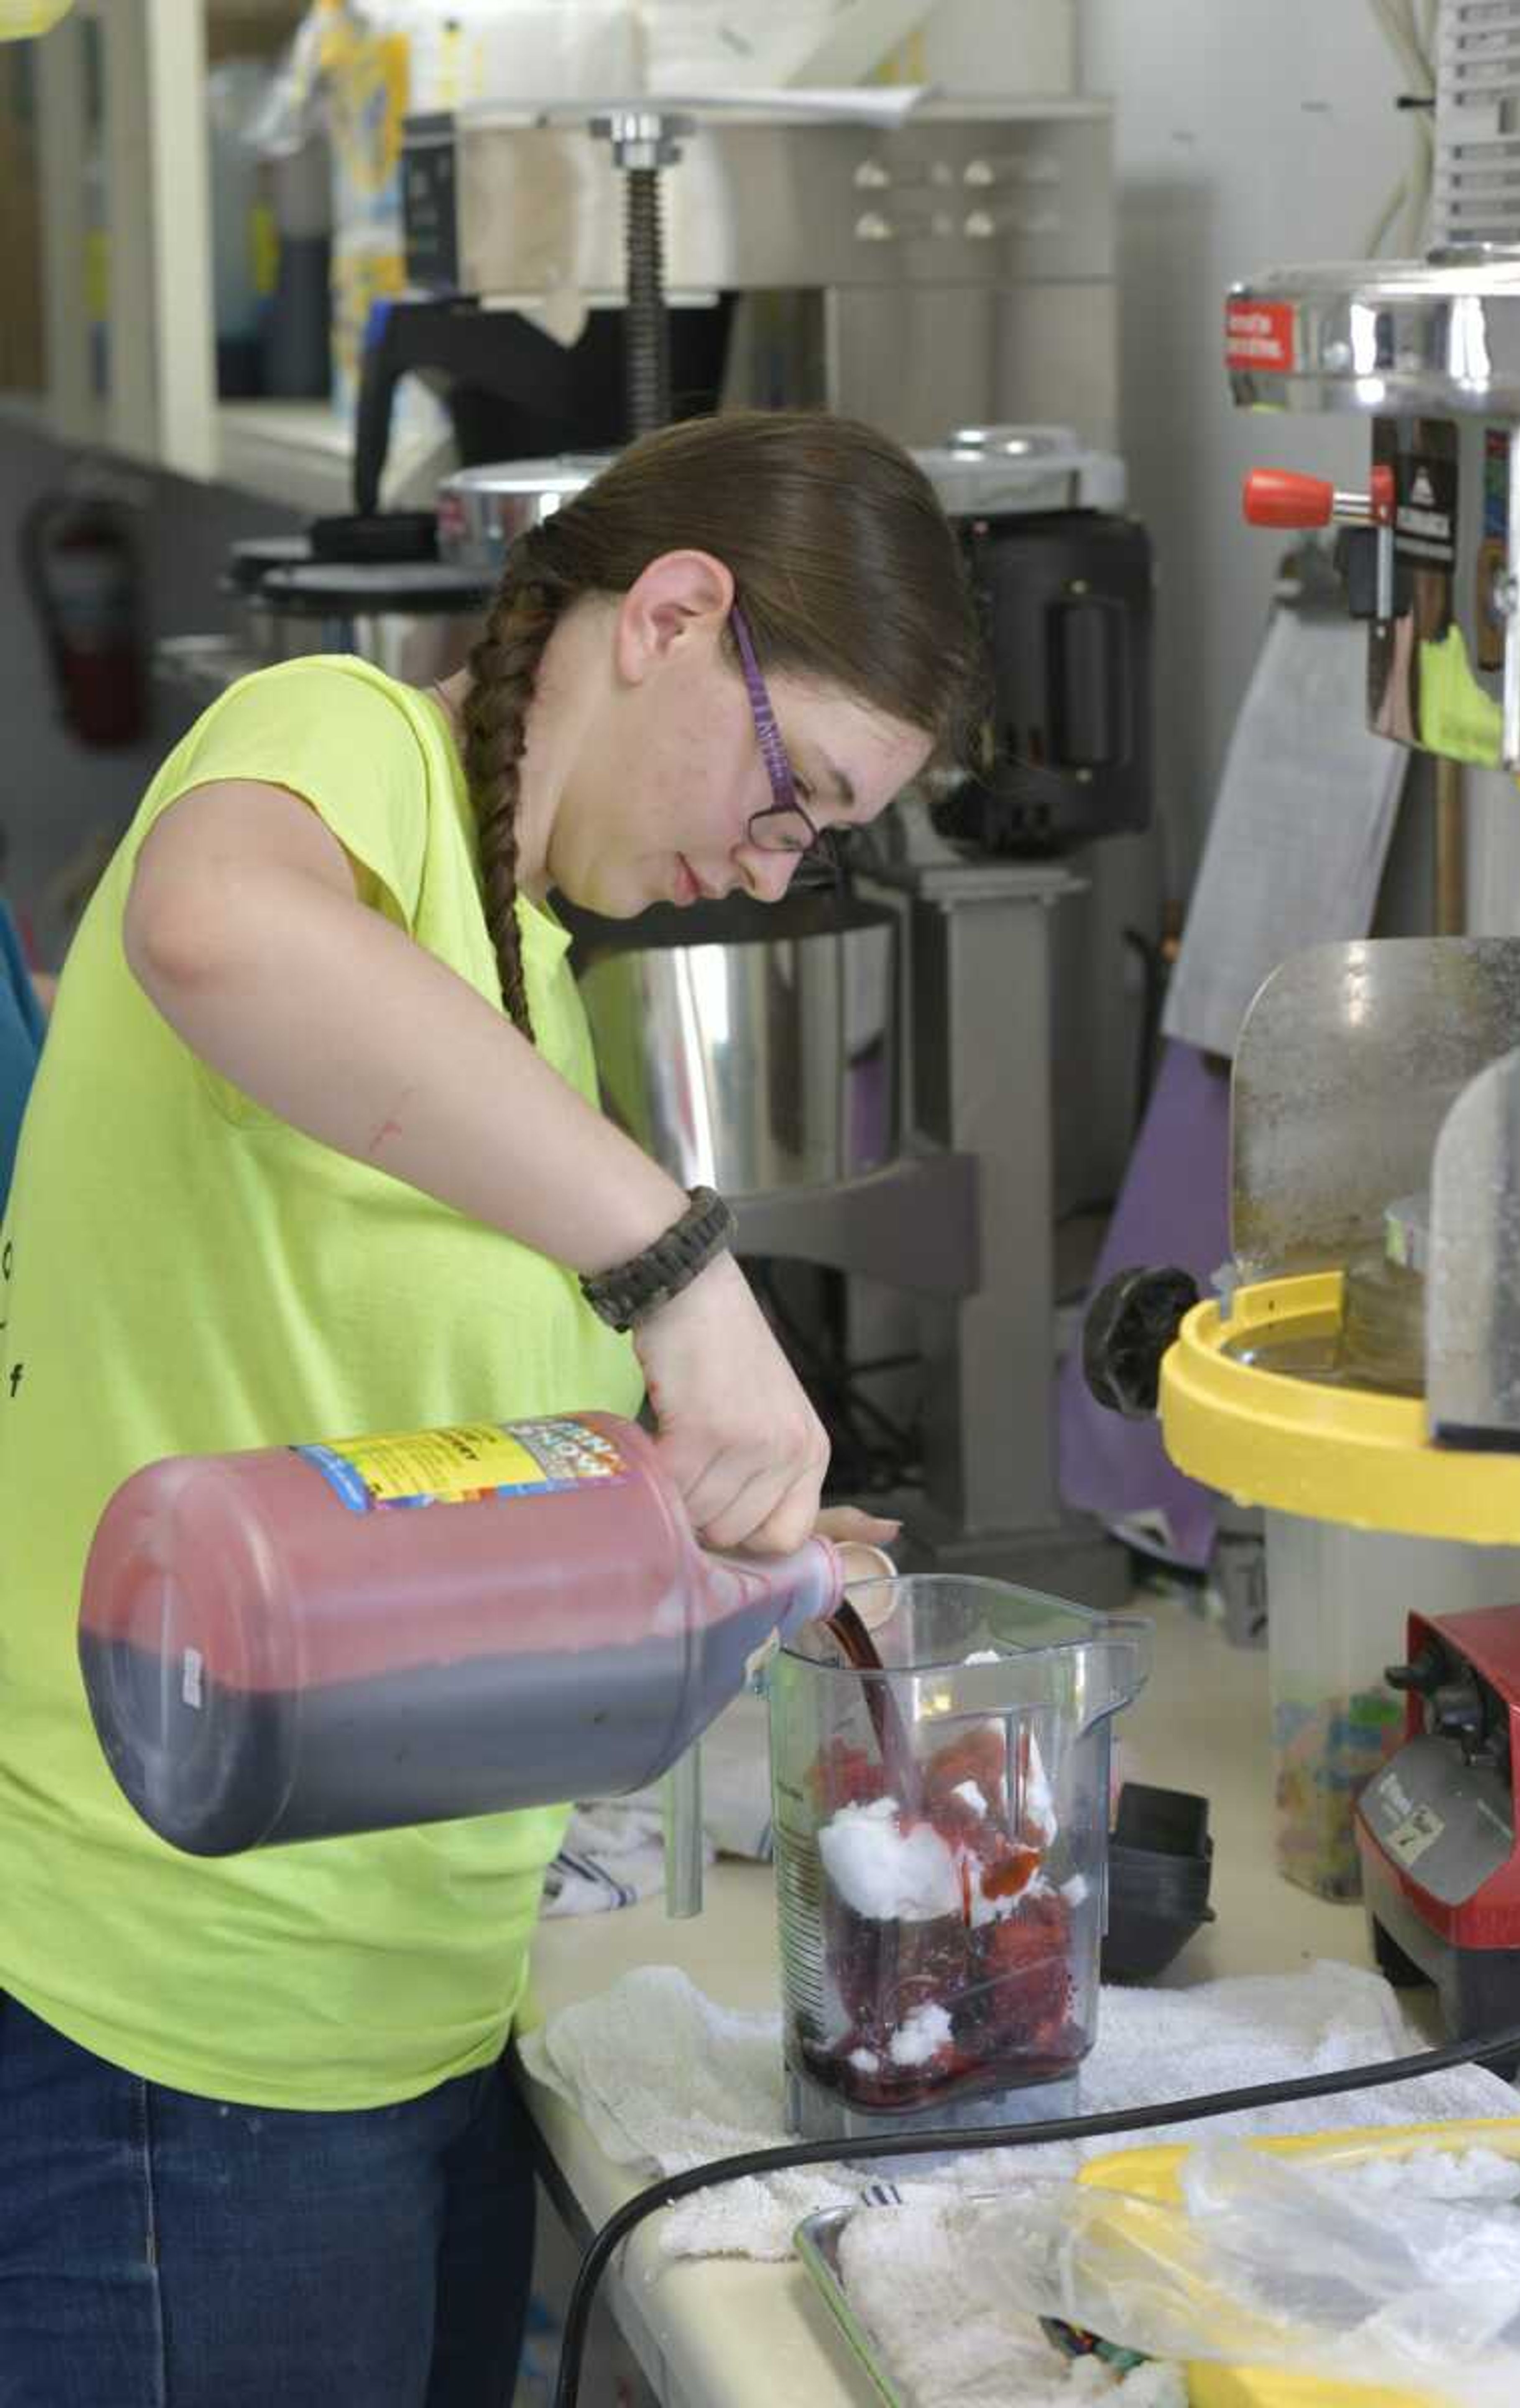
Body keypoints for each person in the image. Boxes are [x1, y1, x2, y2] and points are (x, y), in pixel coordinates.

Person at [0, 408, 981, 2407]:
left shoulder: (534, 968)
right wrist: (683, 1274)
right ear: (674, 616)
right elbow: (216, 928)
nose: (770, 871)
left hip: (424, 2016)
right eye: (801, 800)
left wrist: (733, 1556)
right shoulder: (347, 749)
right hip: (180, 2035)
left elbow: (409, 1472)